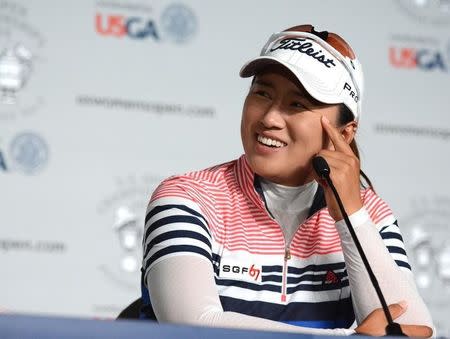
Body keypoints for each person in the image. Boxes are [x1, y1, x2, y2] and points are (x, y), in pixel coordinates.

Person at [140, 24, 434, 336]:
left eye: (297, 104)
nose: (269, 118)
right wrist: (350, 338)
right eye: (262, 93)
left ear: (344, 133)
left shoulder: (371, 214)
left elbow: (413, 329)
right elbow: (194, 324)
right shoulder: (187, 197)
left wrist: (350, 215)